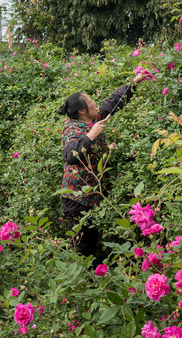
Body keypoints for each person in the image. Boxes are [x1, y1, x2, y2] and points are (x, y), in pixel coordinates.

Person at [58, 73, 146, 258]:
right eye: (90, 101)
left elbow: (111, 104)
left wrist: (133, 83)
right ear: (82, 111)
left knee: (91, 244)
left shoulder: (92, 119)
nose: (94, 103)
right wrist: (90, 135)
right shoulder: (72, 128)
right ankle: (78, 281)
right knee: (80, 248)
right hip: (76, 200)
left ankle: (93, 280)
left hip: (92, 195)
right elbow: (69, 155)